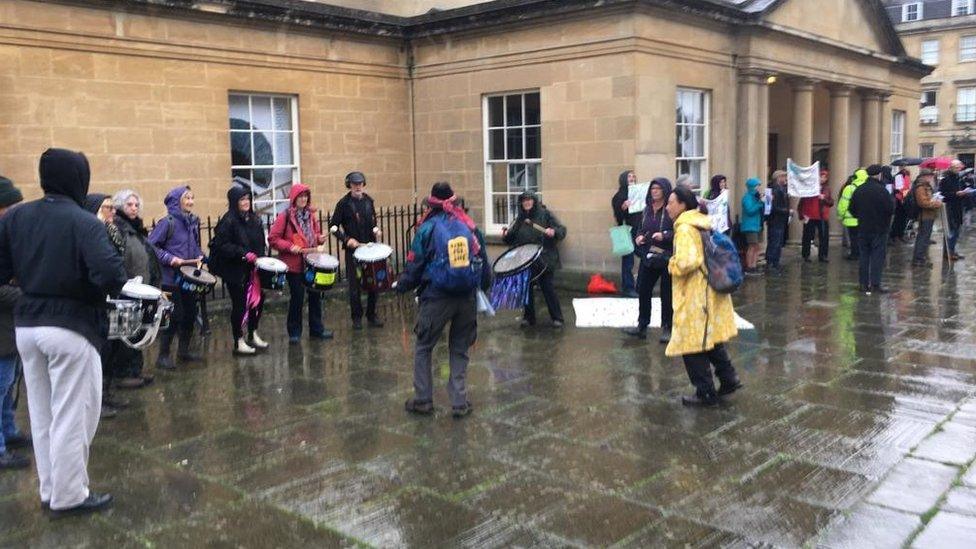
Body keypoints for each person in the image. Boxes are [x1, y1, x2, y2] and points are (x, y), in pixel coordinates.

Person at [0, 148, 127, 515]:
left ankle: (50, 489)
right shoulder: (85, 222)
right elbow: (112, 275)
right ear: (78, 177)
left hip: (27, 327)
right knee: (74, 412)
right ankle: (70, 495)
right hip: (71, 327)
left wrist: (32, 280)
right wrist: (84, 289)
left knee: (42, 414)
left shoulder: (16, 217)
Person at [397, 182, 490, 418]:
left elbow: (415, 263)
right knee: (459, 348)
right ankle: (459, 402)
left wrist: (404, 285)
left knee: (424, 346)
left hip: (437, 297)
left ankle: (423, 400)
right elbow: (484, 261)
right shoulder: (468, 226)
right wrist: (483, 287)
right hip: (466, 296)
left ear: (431, 203)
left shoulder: (426, 228)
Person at [663, 185, 741, 407]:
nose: (668, 207)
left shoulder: (685, 228)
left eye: (671, 202)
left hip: (696, 295)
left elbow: (688, 262)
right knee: (708, 338)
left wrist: (671, 264)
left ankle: (705, 392)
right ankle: (729, 378)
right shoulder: (699, 223)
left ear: (682, 204)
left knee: (691, 344)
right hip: (708, 291)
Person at [148, 185, 204, 370]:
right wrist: (170, 259)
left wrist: (200, 257)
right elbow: (152, 246)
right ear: (177, 202)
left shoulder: (192, 221)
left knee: (189, 314)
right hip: (169, 279)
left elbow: (193, 246)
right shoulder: (167, 222)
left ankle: (183, 351)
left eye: (192, 198)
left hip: (188, 278)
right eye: (186, 199)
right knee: (174, 316)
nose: (190, 202)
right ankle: (163, 356)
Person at [269, 183, 332, 344]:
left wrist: (319, 238)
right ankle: (294, 332)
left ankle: (317, 329)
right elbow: (273, 239)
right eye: (300, 196)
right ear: (294, 198)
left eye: (306, 196)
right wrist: (290, 247)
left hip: (312, 262)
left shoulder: (310, 216)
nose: (303, 199)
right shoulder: (285, 216)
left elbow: (315, 233)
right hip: (294, 264)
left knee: (315, 295)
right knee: (297, 297)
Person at [84, 194, 128, 420]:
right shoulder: (93, 232)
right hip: (98, 298)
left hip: (113, 294)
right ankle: (96, 401)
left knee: (112, 347)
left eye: (112, 207)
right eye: (106, 207)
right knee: (100, 350)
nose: (111, 211)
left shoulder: (113, 230)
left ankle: (107, 392)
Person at [210, 185, 268, 355]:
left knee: (257, 302)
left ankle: (252, 332)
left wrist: (261, 258)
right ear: (234, 202)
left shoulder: (254, 219)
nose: (246, 202)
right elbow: (222, 246)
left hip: (253, 269)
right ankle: (239, 340)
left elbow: (259, 242)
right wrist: (243, 253)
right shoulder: (228, 221)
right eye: (242, 199)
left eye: (248, 199)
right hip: (234, 270)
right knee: (240, 304)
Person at [112, 189, 161, 388]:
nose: (134, 208)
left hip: (142, 286)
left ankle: (135, 370)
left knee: (138, 330)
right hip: (129, 287)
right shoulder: (119, 228)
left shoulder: (136, 227)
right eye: (129, 205)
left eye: (136, 205)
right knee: (126, 332)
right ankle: (123, 374)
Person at [502, 191, 567, 327]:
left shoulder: (545, 214)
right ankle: (528, 318)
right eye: (524, 200)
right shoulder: (519, 219)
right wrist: (506, 235)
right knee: (526, 288)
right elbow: (511, 238)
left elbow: (561, 230)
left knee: (547, 287)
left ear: (534, 201)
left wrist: (553, 232)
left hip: (544, 258)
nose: (527, 202)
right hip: (525, 259)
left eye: (529, 200)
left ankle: (557, 318)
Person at [330, 171, 384, 329]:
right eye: (354, 184)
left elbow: (373, 222)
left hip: (370, 249)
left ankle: (372, 315)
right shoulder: (343, 204)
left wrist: (376, 230)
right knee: (355, 285)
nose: (358, 186)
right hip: (353, 251)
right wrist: (347, 240)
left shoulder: (369, 201)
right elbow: (333, 227)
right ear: (349, 185)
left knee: (374, 282)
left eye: (360, 183)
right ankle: (356, 317)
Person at [0, 175, 28, 470]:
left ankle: (9, 432)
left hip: (11, 327)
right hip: (3, 329)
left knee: (9, 384)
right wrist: (25, 293)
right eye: (11, 206)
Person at [623, 178, 673, 342]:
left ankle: (667, 327)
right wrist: (638, 237)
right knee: (643, 290)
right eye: (653, 188)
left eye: (658, 188)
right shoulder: (646, 210)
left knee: (667, 294)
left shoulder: (671, 210)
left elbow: (679, 230)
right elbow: (640, 229)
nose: (655, 191)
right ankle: (642, 325)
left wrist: (664, 235)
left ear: (665, 190)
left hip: (666, 256)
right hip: (649, 256)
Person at [849, 165, 894, 295]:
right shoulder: (882, 190)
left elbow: (852, 209)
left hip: (863, 227)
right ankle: (875, 284)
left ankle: (863, 283)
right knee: (877, 257)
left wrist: (862, 217)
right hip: (879, 228)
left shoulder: (859, 190)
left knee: (864, 256)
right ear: (879, 175)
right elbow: (890, 209)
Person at [611, 170, 642, 297]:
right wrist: (622, 208)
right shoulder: (619, 196)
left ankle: (639, 285)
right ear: (624, 179)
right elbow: (618, 217)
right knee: (628, 261)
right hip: (627, 230)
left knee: (644, 256)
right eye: (629, 176)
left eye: (634, 176)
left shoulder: (638, 193)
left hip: (639, 230)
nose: (632, 178)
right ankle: (628, 288)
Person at [798, 169, 834, 263]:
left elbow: (831, 202)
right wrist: (802, 215)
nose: (822, 179)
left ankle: (823, 255)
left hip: (822, 216)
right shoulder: (809, 188)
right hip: (810, 215)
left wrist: (824, 198)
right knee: (807, 236)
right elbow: (802, 202)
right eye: (821, 176)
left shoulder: (827, 189)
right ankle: (806, 255)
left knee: (824, 236)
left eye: (824, 177)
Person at [911, 169, 943, 267]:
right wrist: (936, 203)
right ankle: (918, 259)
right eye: (930, 176)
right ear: (924, 176)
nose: (932, 177)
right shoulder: (920, 187)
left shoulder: (926, 186)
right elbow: (923, 203)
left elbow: (927, 199)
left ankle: (920, 257)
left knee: (924, 237)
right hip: (925, 215)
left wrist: (934, 198)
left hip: (928, 214)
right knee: (923, 237)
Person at [940, 159, 968, 261]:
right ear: (951, 167)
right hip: (949, 208)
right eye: (956, 168)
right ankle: (948, 252)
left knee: (956, 231)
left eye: (959, 167)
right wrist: (956, 194)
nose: (958, 169)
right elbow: (943, 194)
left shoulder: (958, 178)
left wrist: (965, 193)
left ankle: (951, 250)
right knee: (951, 231)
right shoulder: (945, 179)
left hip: (958, 207)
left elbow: (961, 189)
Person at [837, 169, 867, 260]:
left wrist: (841, 215)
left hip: (850, 218)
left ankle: (854, 254)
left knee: (853, 237)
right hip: (864, 219)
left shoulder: (849, 188)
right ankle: (862, 254)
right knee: (862, 238)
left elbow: (843, 203)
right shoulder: (867, 188)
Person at [765, 170, 790, 274]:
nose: (786, 179)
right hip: (775, 220)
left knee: (778, 243)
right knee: (774, 242)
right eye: (784, 177)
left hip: (780, 220)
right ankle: (771, 263)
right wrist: (787, 211)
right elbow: (774, 207)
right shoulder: (774, 190)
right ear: (778, 178)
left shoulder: (782, 189)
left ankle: (775, 262)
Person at [740, 177, 764, 274]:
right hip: (750, 225)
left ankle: (754, 265)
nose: (758, 188)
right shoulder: (747, 197)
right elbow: (750, 211)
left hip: (756, 225)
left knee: (757, 246)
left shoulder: (755, 197)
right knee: (752, 246)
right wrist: (759, 203)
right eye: (757, 186)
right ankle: (749, 266)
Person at [890, 165, 912, 242]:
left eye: (904, 166)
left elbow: (908, 187)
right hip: (899, 200)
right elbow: (897, 189)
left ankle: (900, 234)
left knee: (903, 219)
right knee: (898, 219)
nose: (904, 168)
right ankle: (895, 235)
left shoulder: (907, 176)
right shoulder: (898, 176)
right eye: (902, 167)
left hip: (905, 199)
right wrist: (901, 197)